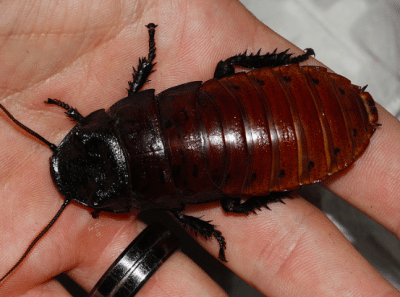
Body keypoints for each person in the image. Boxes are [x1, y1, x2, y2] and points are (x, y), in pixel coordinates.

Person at [0, 1, 399, 296]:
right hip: (279, 105)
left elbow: (191, 215)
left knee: (230, 203)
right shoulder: (129, 112)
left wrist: (216, 231)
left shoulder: (161, 199)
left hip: (283, 148)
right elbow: (139, 89)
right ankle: (295, 68)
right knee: (227, 68)